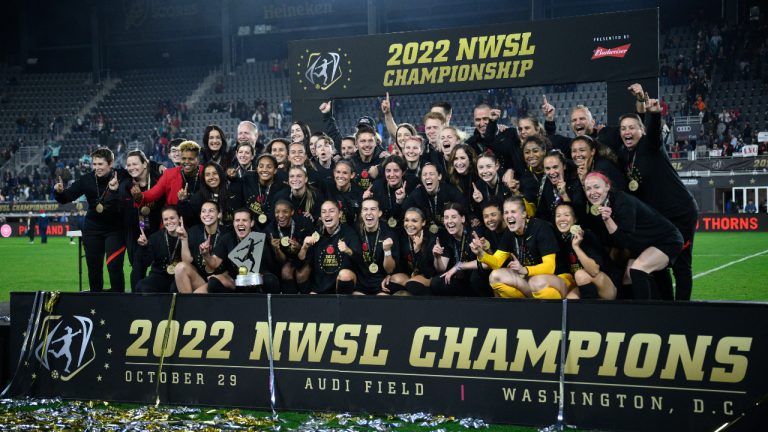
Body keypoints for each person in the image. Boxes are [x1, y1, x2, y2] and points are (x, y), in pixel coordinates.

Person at [619, 84, 698, 301]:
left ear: (642, 130)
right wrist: (639, 101)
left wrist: (653, 113)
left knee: (681, 263)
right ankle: (666, 306)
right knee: (656, 264)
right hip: (658, 218)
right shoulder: (625, 154)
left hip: (680, 213)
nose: (627, 132)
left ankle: (682, 310)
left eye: (632, 128)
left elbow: (653, 131)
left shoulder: (650, 145)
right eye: (623, 129)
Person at [583, 172, 683, 300]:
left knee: (637, 269)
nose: (592, 192)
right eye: (588, 189)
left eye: (596, 187)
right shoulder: (602, 206)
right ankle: (630, 310)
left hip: (666, 240)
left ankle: (642, 311)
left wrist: (608, 220)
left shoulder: (622, 201)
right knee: (628, 277)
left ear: (607, 187)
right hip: (645, 244)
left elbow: (623, 242)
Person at [54, 147, 126, 292]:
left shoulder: (122, 175)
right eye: (94, 164)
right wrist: (59, 191)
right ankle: (95, 299)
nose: (97, 168)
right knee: (94, 268)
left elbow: (141, 168)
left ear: (110, 163)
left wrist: (158, 166)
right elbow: (66, 197)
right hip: (92, 229)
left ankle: (119, 299)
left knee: (114, 266)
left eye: (100, 164)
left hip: (116, 229)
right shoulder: (86, 179)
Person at [470, 196, 561, 299]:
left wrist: (525, 270)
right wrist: (481, 253)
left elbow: (550, 267)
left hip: (555, 277)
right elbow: (497, 263)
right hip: (529, 278)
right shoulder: (509, 232)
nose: (509, 216)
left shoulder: (541, 228)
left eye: (513, 212)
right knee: (495, 276)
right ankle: (524, 305)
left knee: (536, 283)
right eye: (506, 212)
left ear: (524, 214)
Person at [197, 209, 280, 294]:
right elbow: (214, 263)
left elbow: (271, 267)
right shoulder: (228, 238)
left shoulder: (259, 238)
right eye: (237, 220)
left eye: (244, 220)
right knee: (213, 282)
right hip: (236, 281)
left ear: (251, 223)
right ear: (233, 223)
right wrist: (206, 254)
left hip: (258, 280)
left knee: (270, 280)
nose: (240, 223)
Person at [552, 203, 617, 300]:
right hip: (584, 286)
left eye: (566, 215)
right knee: (570, 300)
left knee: (580, 274)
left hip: (607, 287)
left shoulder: (587, 236)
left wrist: (576, 247)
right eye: (558, 216)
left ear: (575, 219)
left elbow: (594, 271)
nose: (562, 219)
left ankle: (592, 308)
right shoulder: (561, 241)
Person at [298, 200, 363, 294]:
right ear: (321, 216)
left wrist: (348, 250)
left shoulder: (349, 233)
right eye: (324, 212)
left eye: (331, 211)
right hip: (320, 288)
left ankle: (342, 302)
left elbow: (360, 261)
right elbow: (299, 263)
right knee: (301, 273)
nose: (327, 215)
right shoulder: (315, 235)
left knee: (345, 275)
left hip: (339, 286)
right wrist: (304, 247)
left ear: (340, 214)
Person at [120, 149, 163, 291]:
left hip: (158, 231)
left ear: (145, 164)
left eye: (135, 164)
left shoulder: (158, 179)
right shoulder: (126, 184)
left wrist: (157, 165)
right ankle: (136, 299)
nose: (131, 168)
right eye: (129, 165)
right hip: (136, 233)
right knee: (137, 268)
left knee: (160, 269)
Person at [175, 201, 228, 293]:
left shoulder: (227, 233)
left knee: (198, 294)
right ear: (200, 215)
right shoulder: (194, 231)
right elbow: (187, 261)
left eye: (211, 211)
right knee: (180, 267)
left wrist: (206, 254)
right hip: (200, 279)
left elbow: (228, 268)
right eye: (203, 211)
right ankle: (187, 301)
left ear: (219, 214)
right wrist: (184, 239)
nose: (207, 214)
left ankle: (189, 301)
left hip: (219, 281)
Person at [430, 202, 482, 296]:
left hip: (476, 278)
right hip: (460, 279)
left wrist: (458, 266)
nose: (449, 221)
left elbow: (484, 263)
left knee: (475, 277)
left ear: (462, 219)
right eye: (446, 217)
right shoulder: (445, 236)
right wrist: (437, 257)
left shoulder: (474, 234)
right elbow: (441, 269)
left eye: (453, 217)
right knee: (436, 283)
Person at [402, 163, 467, 235]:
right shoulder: (417, 193)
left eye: (431, 174)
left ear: (439, 176)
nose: (428, 177)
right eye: (424, 175)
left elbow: (465, 211)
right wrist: (399, 201)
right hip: (427, 233)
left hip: (449, 231)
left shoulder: (450, 191)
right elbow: (402, 212)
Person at [351, 198, 398, 295]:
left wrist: (387, 250)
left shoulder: (389, 233)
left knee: (382, 301)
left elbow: (390, 270)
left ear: (379, 213)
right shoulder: (354, 232)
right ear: (361, 213)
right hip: (360, 283)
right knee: (355, 301)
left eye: (373, 209)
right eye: (365, 209)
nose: (369, 213)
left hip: (381, 283)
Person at [265, 200, 313, 294]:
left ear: (292, 212)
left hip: (305, 257)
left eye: (285, 211)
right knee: (286, 271)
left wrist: (299, 247)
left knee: (301, 275)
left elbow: (312, 251)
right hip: (286, 261)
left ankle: (308, 300)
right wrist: (277, 249)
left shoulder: (303, 223)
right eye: (277, 212)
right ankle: (289, 301)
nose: (280, 215)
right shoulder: (270, 230)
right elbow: (282, 260)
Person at [386, 207, 437, 296]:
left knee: (413, 284)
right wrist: (389, 275)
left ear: (423, 222)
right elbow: (399, 265)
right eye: (406, 220)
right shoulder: (400, 236)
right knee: (390, 281)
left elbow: (428, 272)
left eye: (414, 221)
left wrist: (418, 250)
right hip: (409, 275)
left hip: (427, 276)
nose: (409, 224)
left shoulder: (431, 239)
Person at [229, 154, 286, 230]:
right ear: (256, 168)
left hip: (271, 229)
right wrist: (230, 176)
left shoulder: (280, 187)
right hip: (249, 228)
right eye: (261, 166)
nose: (264, 169)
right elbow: (233, 184)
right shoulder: (248, 179)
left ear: (275, 170)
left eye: (269, 167)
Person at [135, 206, 183, 293]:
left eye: (172, 218)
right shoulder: (155, 237)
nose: (169, 222)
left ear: (180, 219)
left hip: (180, 277)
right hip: (159, 275)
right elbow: (146, 262)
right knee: (142, 286)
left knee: (174, 289)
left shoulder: (189, 235)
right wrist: (144, 247)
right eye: (165, 219)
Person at [325, 159, 363, 227]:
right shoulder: (326, 188)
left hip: (352, 229)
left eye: (345, 173)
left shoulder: (359, 192)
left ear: (352, 175)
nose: (340, 176)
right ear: (334, 173)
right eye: (338, 172)